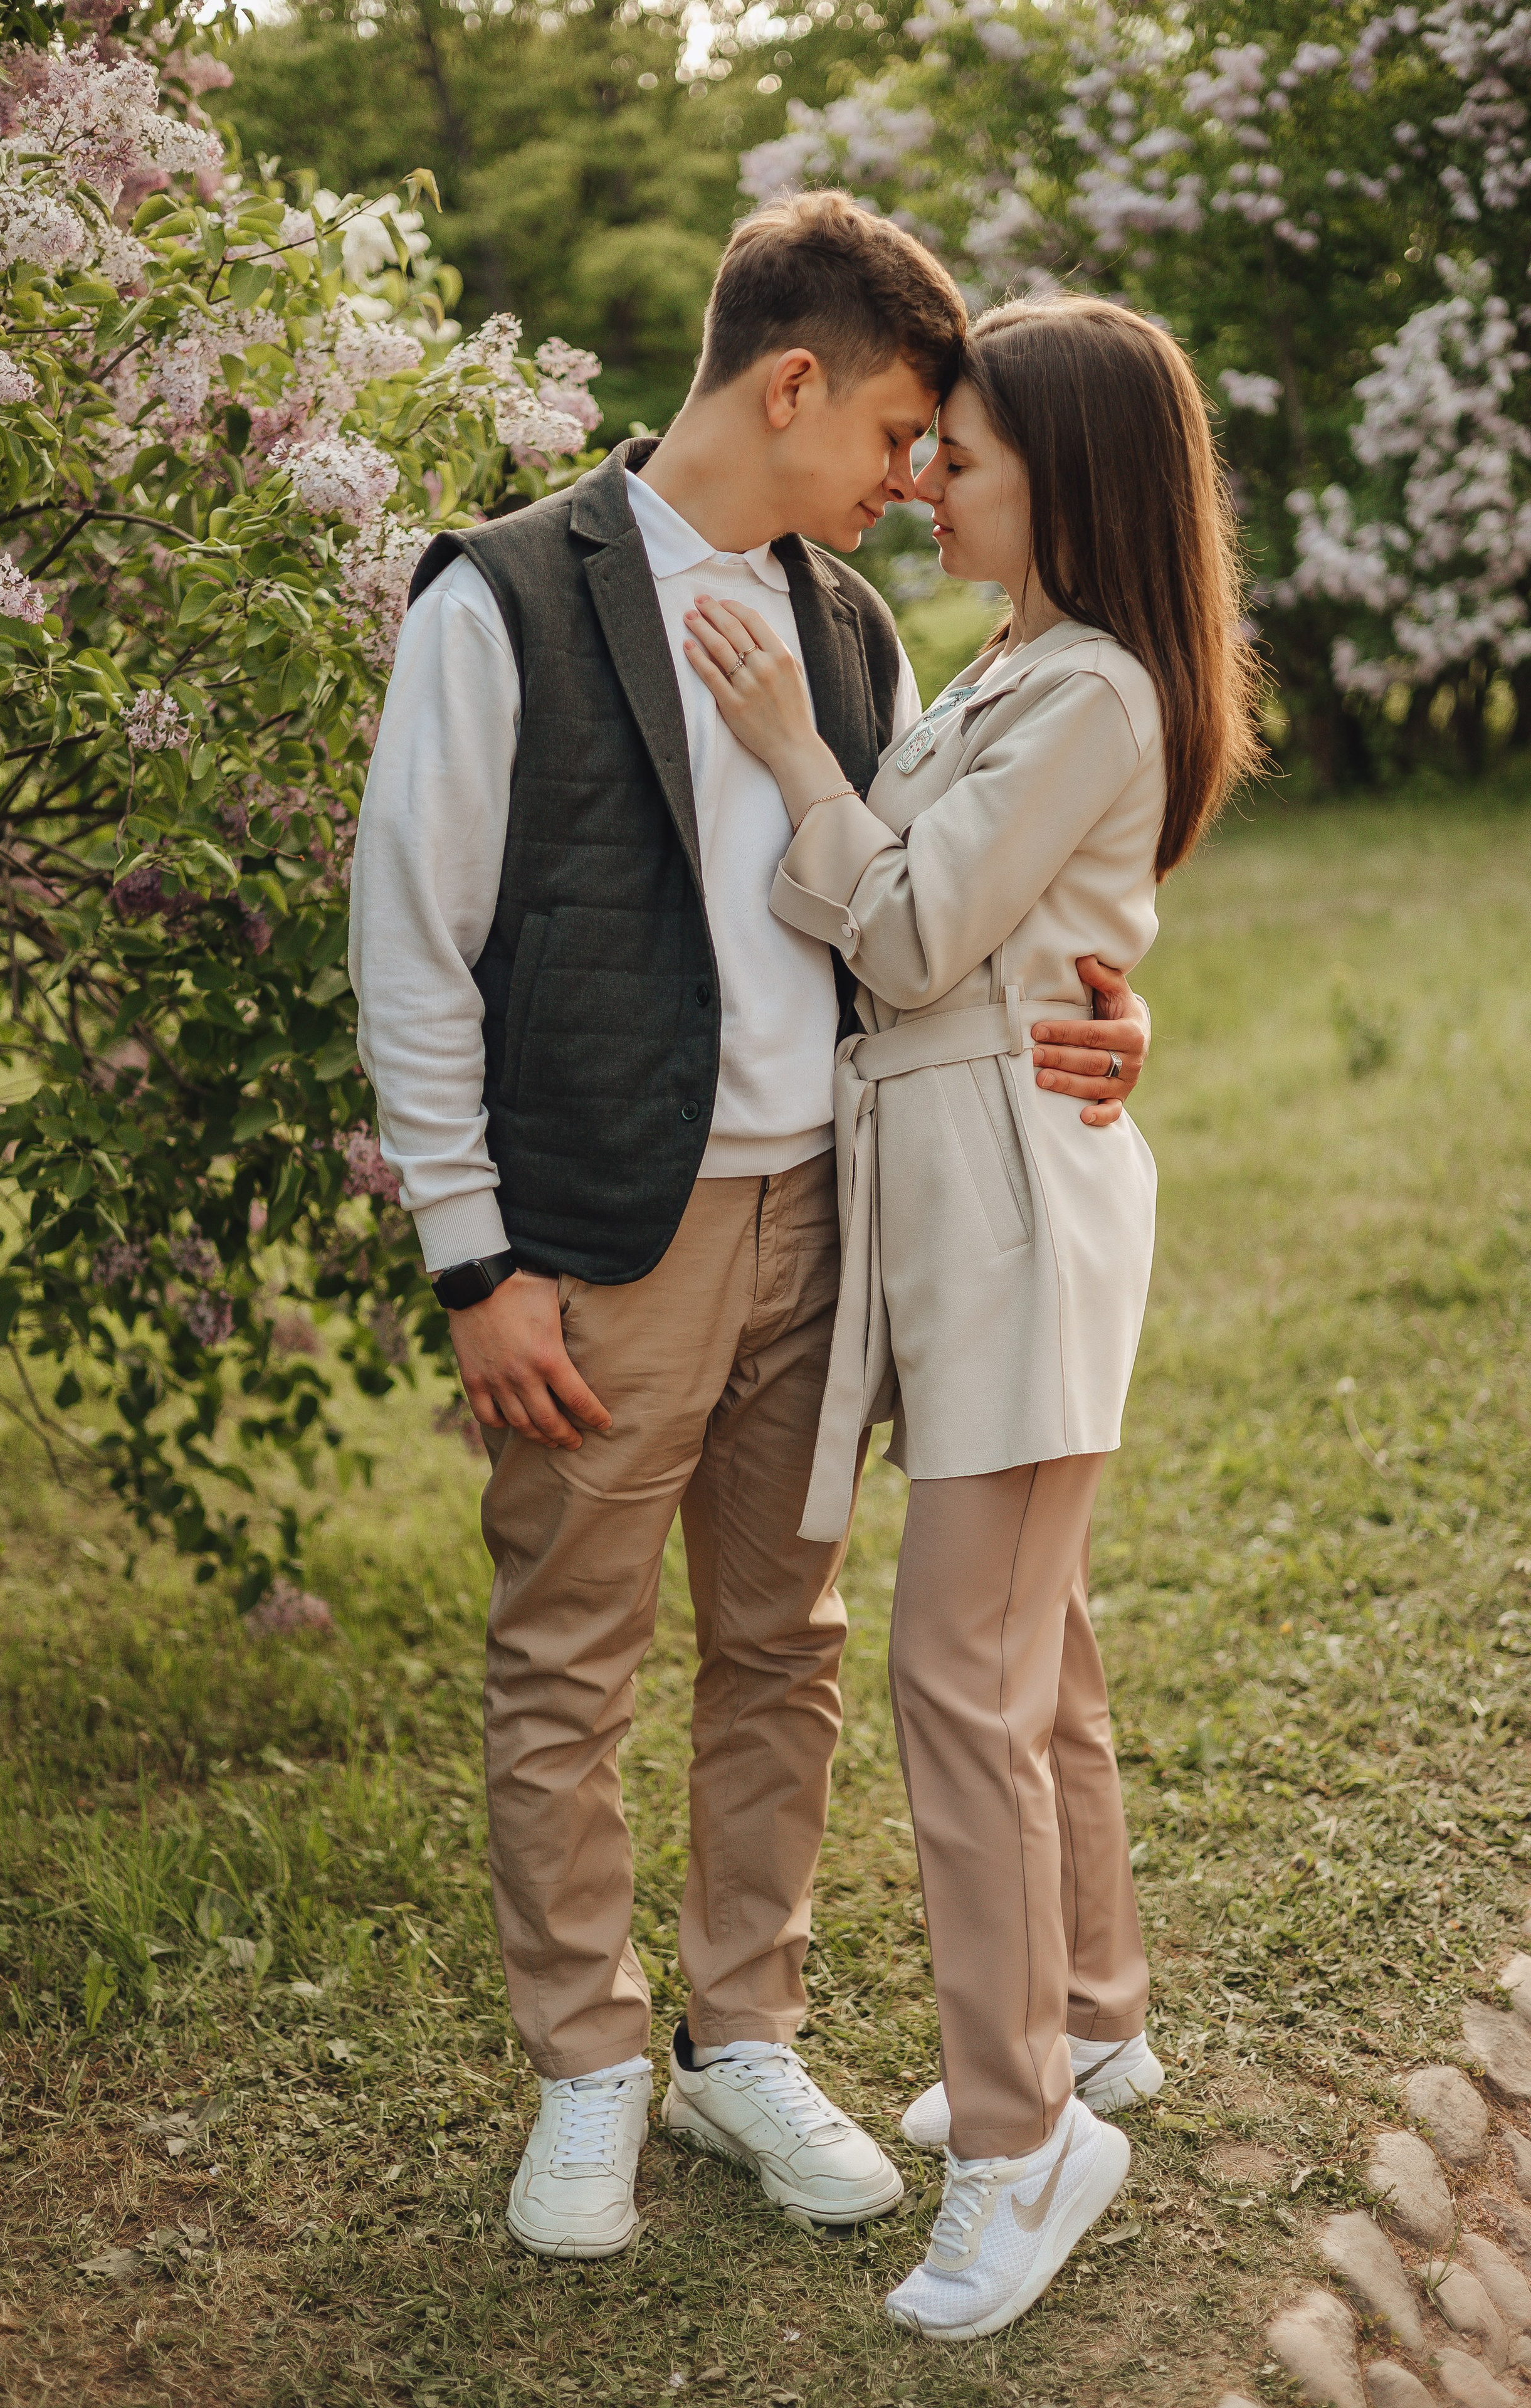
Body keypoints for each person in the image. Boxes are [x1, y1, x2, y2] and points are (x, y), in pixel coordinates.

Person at [348, 198, 1150, 2264]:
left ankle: (743, 2038)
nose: (913, 475)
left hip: (840, 1227)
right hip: (612, 1233)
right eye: (895, 429)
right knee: (571, 1655)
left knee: (781, 1649)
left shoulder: (853, 630)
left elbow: (933, 891)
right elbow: (413, 950)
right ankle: (589, 2072)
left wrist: (1112, 1012)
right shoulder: (502, 600)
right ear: (790, 383)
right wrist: (473, 1254)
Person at [681, 292, 1264, 2336]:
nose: (925, 478)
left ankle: (1024, 2151)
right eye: (931, 449)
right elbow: (972, 936)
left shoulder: (1093, 689)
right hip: (952, 1206)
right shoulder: (1011, 667)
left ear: (1068, 484)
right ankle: (1092, 2026)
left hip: (1009, 1219)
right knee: (1045, 1656)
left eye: (970, 456)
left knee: (962, 1684)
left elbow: (920, 936)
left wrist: (779, 753)